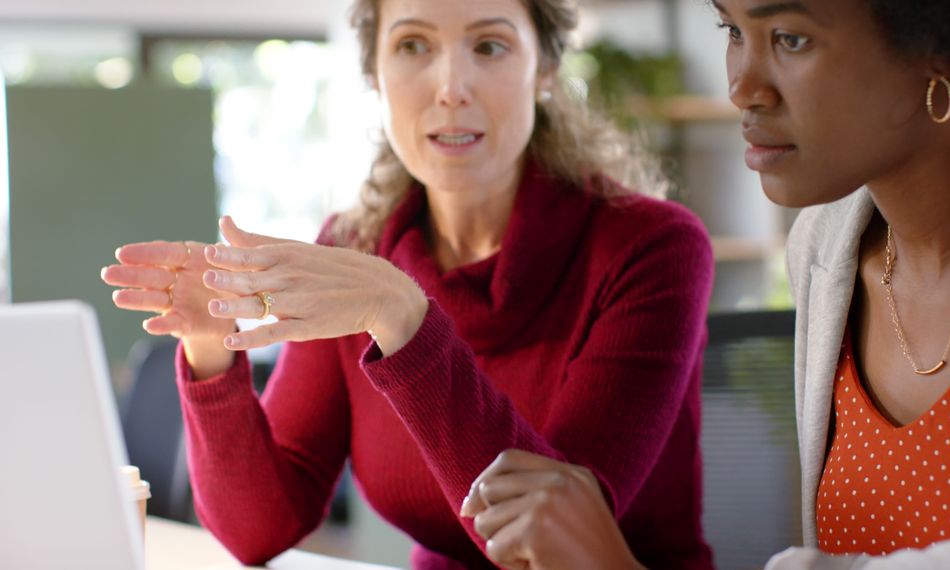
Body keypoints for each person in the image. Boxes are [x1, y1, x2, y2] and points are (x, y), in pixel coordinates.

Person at [460, 0, 950, 568]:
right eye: (733, 31)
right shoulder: (827, 244)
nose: (741, 87)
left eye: (789, 38)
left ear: (942, 41)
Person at [101, 0, 717, 568]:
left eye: (489, 46)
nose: (450, 88)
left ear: (546, 69)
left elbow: (544, 546)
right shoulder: (357, 249)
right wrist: (210, 346)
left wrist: (402, 317)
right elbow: (259, 528)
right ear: (375, 74)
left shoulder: (651, 248)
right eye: (413, 46)